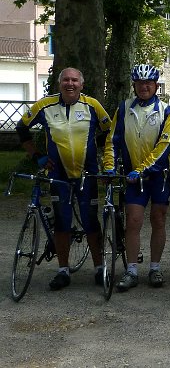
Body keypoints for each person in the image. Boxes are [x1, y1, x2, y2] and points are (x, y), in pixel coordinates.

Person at [16, 67, 112, 290]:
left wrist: (96, 148)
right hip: (58, 175)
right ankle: (63, 270)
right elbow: (22, 128)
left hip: (87, 174)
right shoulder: (44, 105)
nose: (70, 84)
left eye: (74, 80)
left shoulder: (92, 105)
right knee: (61, 221)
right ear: (59, 84)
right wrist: (37, 156)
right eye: (66, 80)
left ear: (81, 84)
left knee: (91, 221)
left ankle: (100, 268)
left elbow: (110, 130)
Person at [103, 64, 170, 291]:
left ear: (156, 85)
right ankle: (132, 270)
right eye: (140, 83)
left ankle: (155, 268)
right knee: (133, 221)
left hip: (158, 175)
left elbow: (164, 146)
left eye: (149, 83)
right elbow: (112, 140)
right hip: (133, 176)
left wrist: (143, 169)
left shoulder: (166, 111)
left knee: (158, 219)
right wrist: (109, 166)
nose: (144, 87)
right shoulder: (124, 108)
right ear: (134, 85)